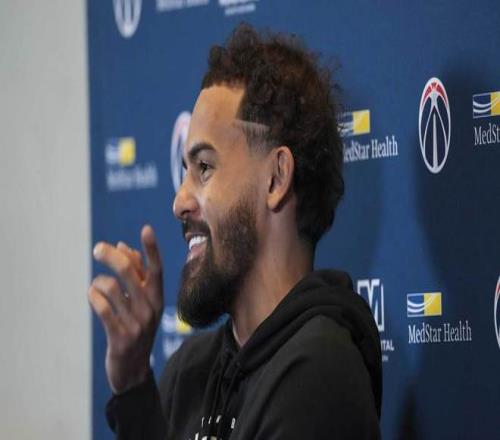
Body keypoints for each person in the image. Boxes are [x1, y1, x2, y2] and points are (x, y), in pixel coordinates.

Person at [89, 23, 382, 439]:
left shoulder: (320, 374)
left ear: (276, 178)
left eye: (204, 167)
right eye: (186, 170)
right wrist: (135, 388)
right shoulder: (188, 373)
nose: (179, 201)